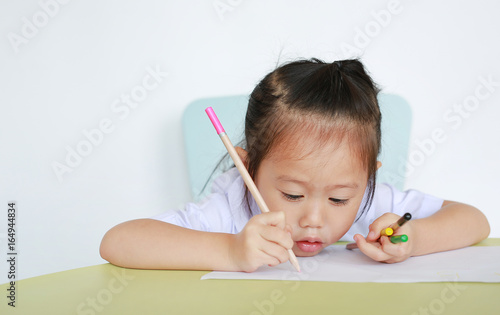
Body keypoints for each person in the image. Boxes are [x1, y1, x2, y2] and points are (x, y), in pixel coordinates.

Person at [100, 59, 490, 272]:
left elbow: (474, 221)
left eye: (339, 198)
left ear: (367, 178)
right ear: (247, 167)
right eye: (292, 194)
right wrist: (231, 251)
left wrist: (413, 240)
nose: (314, 219)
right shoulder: (232, 209)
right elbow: (118, 242)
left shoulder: (372, 204)